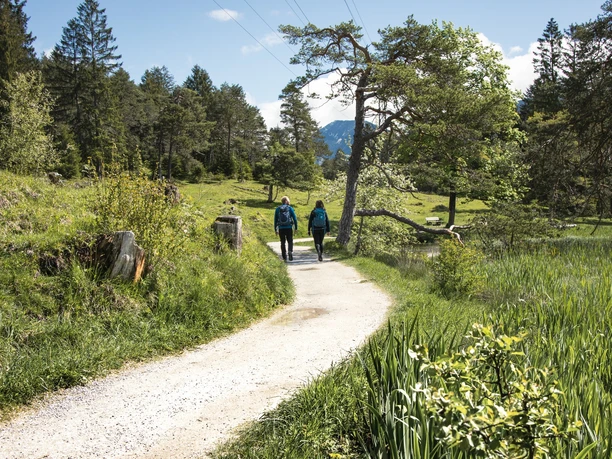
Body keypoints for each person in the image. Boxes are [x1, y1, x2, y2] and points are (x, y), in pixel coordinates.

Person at [274, 196, 298, 261]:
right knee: (290, 241)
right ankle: (290, 251)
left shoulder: (278, 209)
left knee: (282, 242)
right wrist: (296, 228)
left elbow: (275, 220)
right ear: (287, 201)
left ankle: (284, 256)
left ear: (282, 201)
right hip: (289, 227)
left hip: (281, 228)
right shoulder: (290, 208)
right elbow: (295, 218)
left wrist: (275, 229)